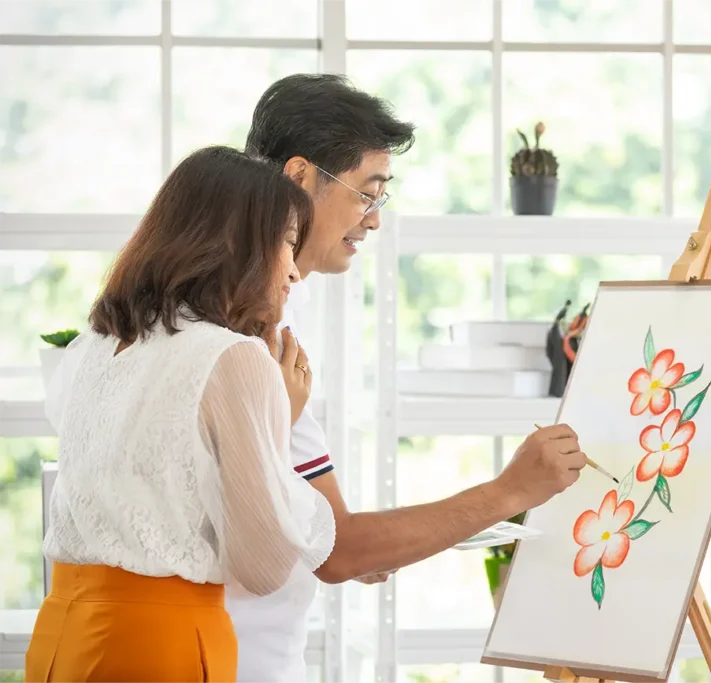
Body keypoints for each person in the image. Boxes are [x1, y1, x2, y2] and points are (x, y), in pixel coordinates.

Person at [231, 73, 588, 682]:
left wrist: (377, 541)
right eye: (367, 193)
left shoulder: (258, 318)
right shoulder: (250, 338)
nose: (373, 220)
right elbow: (340, 551)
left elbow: (310, 522)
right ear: (298, 178)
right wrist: (511, 492)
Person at [26, 146, 336, 683]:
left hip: (63, 638)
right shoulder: (233, 358)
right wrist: (276, 427)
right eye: (287, 243)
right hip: (161, 647)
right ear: (240, 247)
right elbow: (263, 566)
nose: (294, 271)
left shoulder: (98, 345)